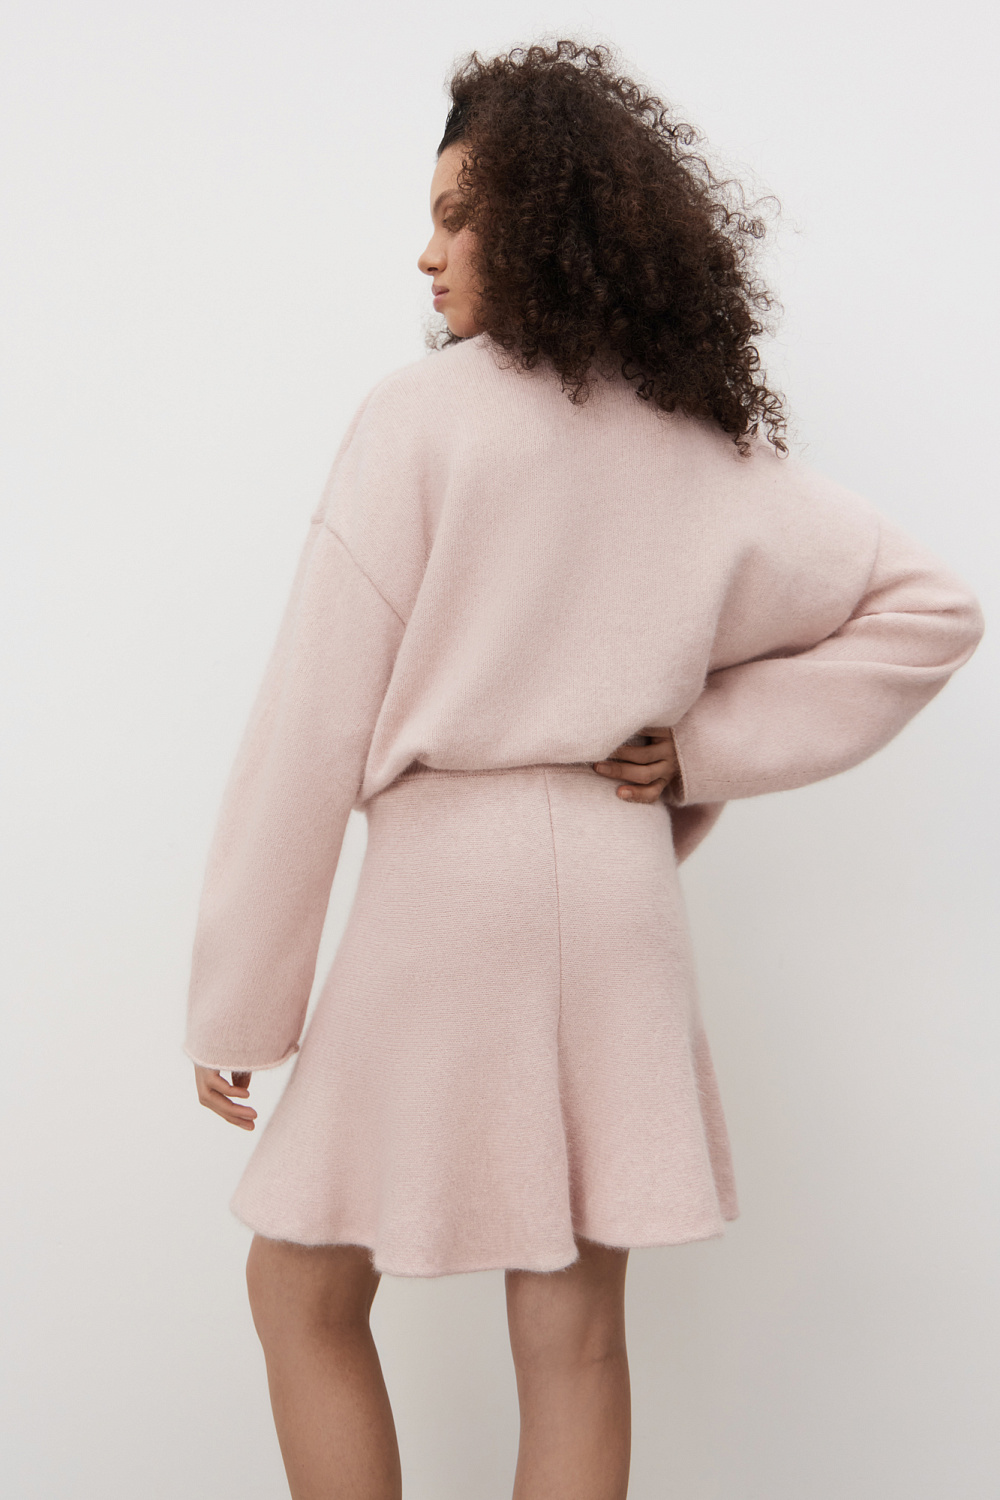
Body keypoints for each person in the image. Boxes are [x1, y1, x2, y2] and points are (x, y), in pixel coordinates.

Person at [184, 40, 983, 1500]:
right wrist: (699, 753)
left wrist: (244, 997)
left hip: (446, 902)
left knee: (300, 1291)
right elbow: (932, 607)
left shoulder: (416, 421)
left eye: (458, 215)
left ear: (542, 219)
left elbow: (309, 720)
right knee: (576, 1339)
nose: (426, 254)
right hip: (614, 899)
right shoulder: (698, 447)